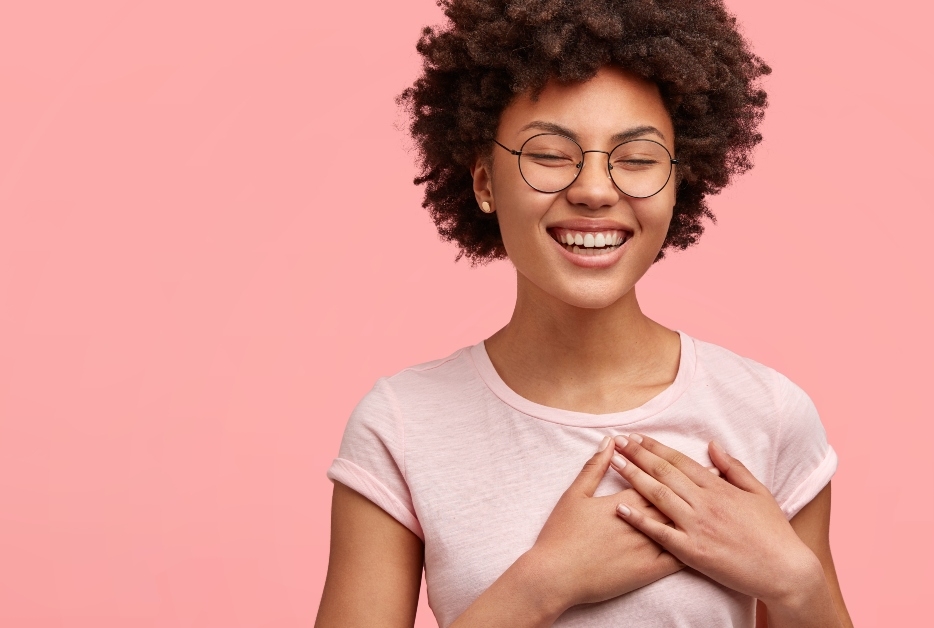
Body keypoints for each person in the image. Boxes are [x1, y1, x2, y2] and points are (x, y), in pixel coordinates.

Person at [315, 1, 853, 626]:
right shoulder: (402, 426)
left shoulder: (767, 414)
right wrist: (544, 583)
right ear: (485, 181)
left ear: (681, 179)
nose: (596, 190)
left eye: (637, 159)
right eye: (548, 154)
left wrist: (793, 583)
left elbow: (801, 594)